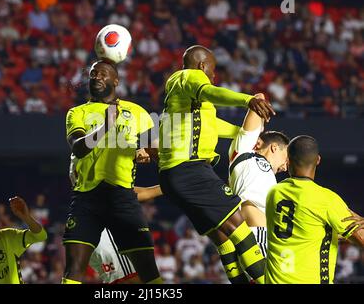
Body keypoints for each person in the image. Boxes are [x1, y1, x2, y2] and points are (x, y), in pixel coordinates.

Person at [158, 45, 275, 284]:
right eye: (212, 70)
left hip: (174, 175)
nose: (213, 75)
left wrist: (243, 135)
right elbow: (211, 92)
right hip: (190, 169)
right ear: (202, 65)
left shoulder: (184, 97)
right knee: (239, 227)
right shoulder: (190, 77)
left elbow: (212, 126)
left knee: (222, 237)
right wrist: (248, 101)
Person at [63, 60, 162, 284]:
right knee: (74, 269)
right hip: (86, 198)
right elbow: (78, 148)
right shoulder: (76, 113)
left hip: (122, 197)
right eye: (93, 74)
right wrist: (105, 125)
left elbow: (158, 151)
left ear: (116, 80)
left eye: (103, 74)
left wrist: (146, 150)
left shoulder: (137, 111)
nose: (96, 77)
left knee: (148, 270)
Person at [265, 135, 364, 284]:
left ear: (288, 160)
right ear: (318, 160)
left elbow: (307, 231)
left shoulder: (273, 193)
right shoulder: (327, 200)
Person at [228, 92, 290, 258]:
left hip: (272, 239)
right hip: (257, 237)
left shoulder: (272, 180)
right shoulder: (245, 151)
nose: (286, 166)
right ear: (274, 147)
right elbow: (259, 98)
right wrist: (262, 121)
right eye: (287, 157)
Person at [89, 185, 163, 284]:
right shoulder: (106, 179)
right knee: (131, 278)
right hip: (105, 231)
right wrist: (176, 183)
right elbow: (136, 194)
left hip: (90, 228)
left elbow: (143, 192)